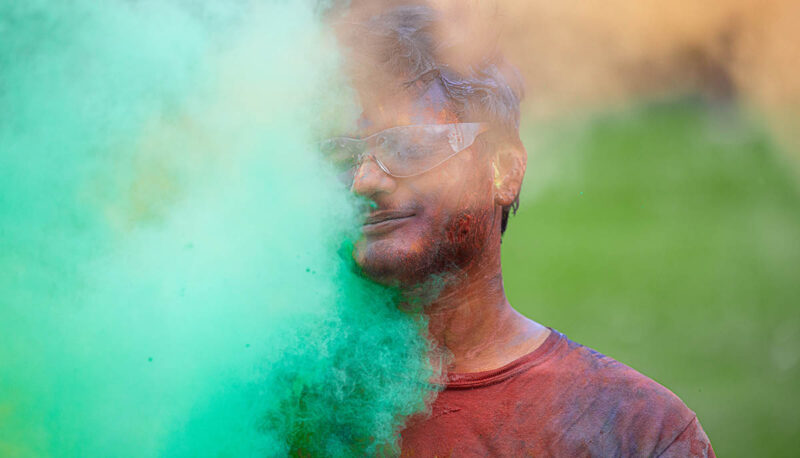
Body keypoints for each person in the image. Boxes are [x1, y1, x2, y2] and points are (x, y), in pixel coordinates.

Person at [327, 2, 715, 456]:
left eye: (410, 146)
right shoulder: (282, 402)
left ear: (504, 170)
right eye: (342, 156)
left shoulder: (636, 428)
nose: (364, 181)